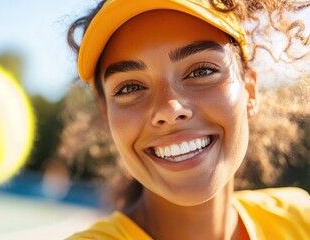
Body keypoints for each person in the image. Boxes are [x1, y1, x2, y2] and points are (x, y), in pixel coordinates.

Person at [64, 0, 310, 239]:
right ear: (107, 115)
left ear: (250, 92)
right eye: (130, 88)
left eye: (201, 71)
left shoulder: (299, 218)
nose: (169, 110)